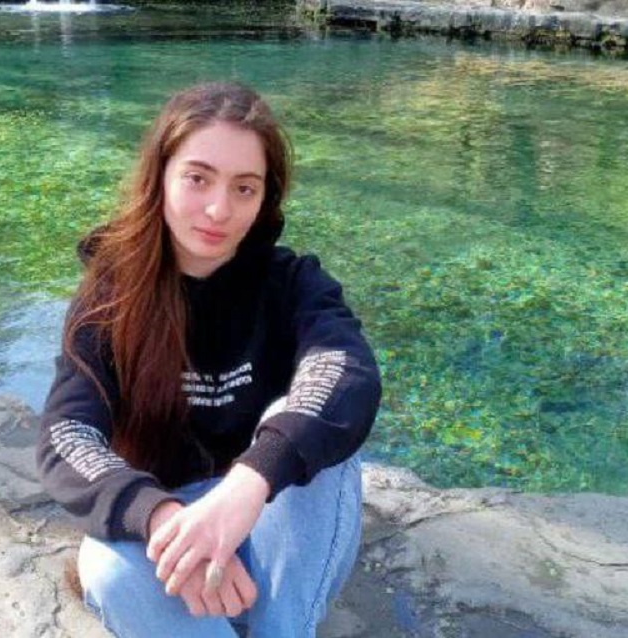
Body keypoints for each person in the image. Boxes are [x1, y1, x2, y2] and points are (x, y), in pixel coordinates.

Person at [36, 81, 382, 638]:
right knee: (104, 569)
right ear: (160, 177)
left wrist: (251, 481)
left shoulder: (293, 283)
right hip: (172, 535)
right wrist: (160, 519)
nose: (220, 210)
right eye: (198, 178)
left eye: (244, 188)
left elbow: (347, 374)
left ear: (265, 198)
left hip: (276, 528)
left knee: (311, 428)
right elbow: (67, 433)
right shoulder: (111, 296)